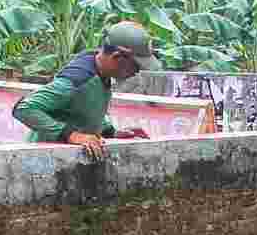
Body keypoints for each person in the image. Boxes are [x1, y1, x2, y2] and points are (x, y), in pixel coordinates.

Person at [10, 21, 162, 161]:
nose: (136, 72)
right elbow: (24, 108)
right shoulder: (76, 80)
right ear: (118, 57)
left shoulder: (100, 71)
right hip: (45, 161)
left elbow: (84, 107)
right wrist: (71, 135)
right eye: (136, 66)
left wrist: (110, 132)